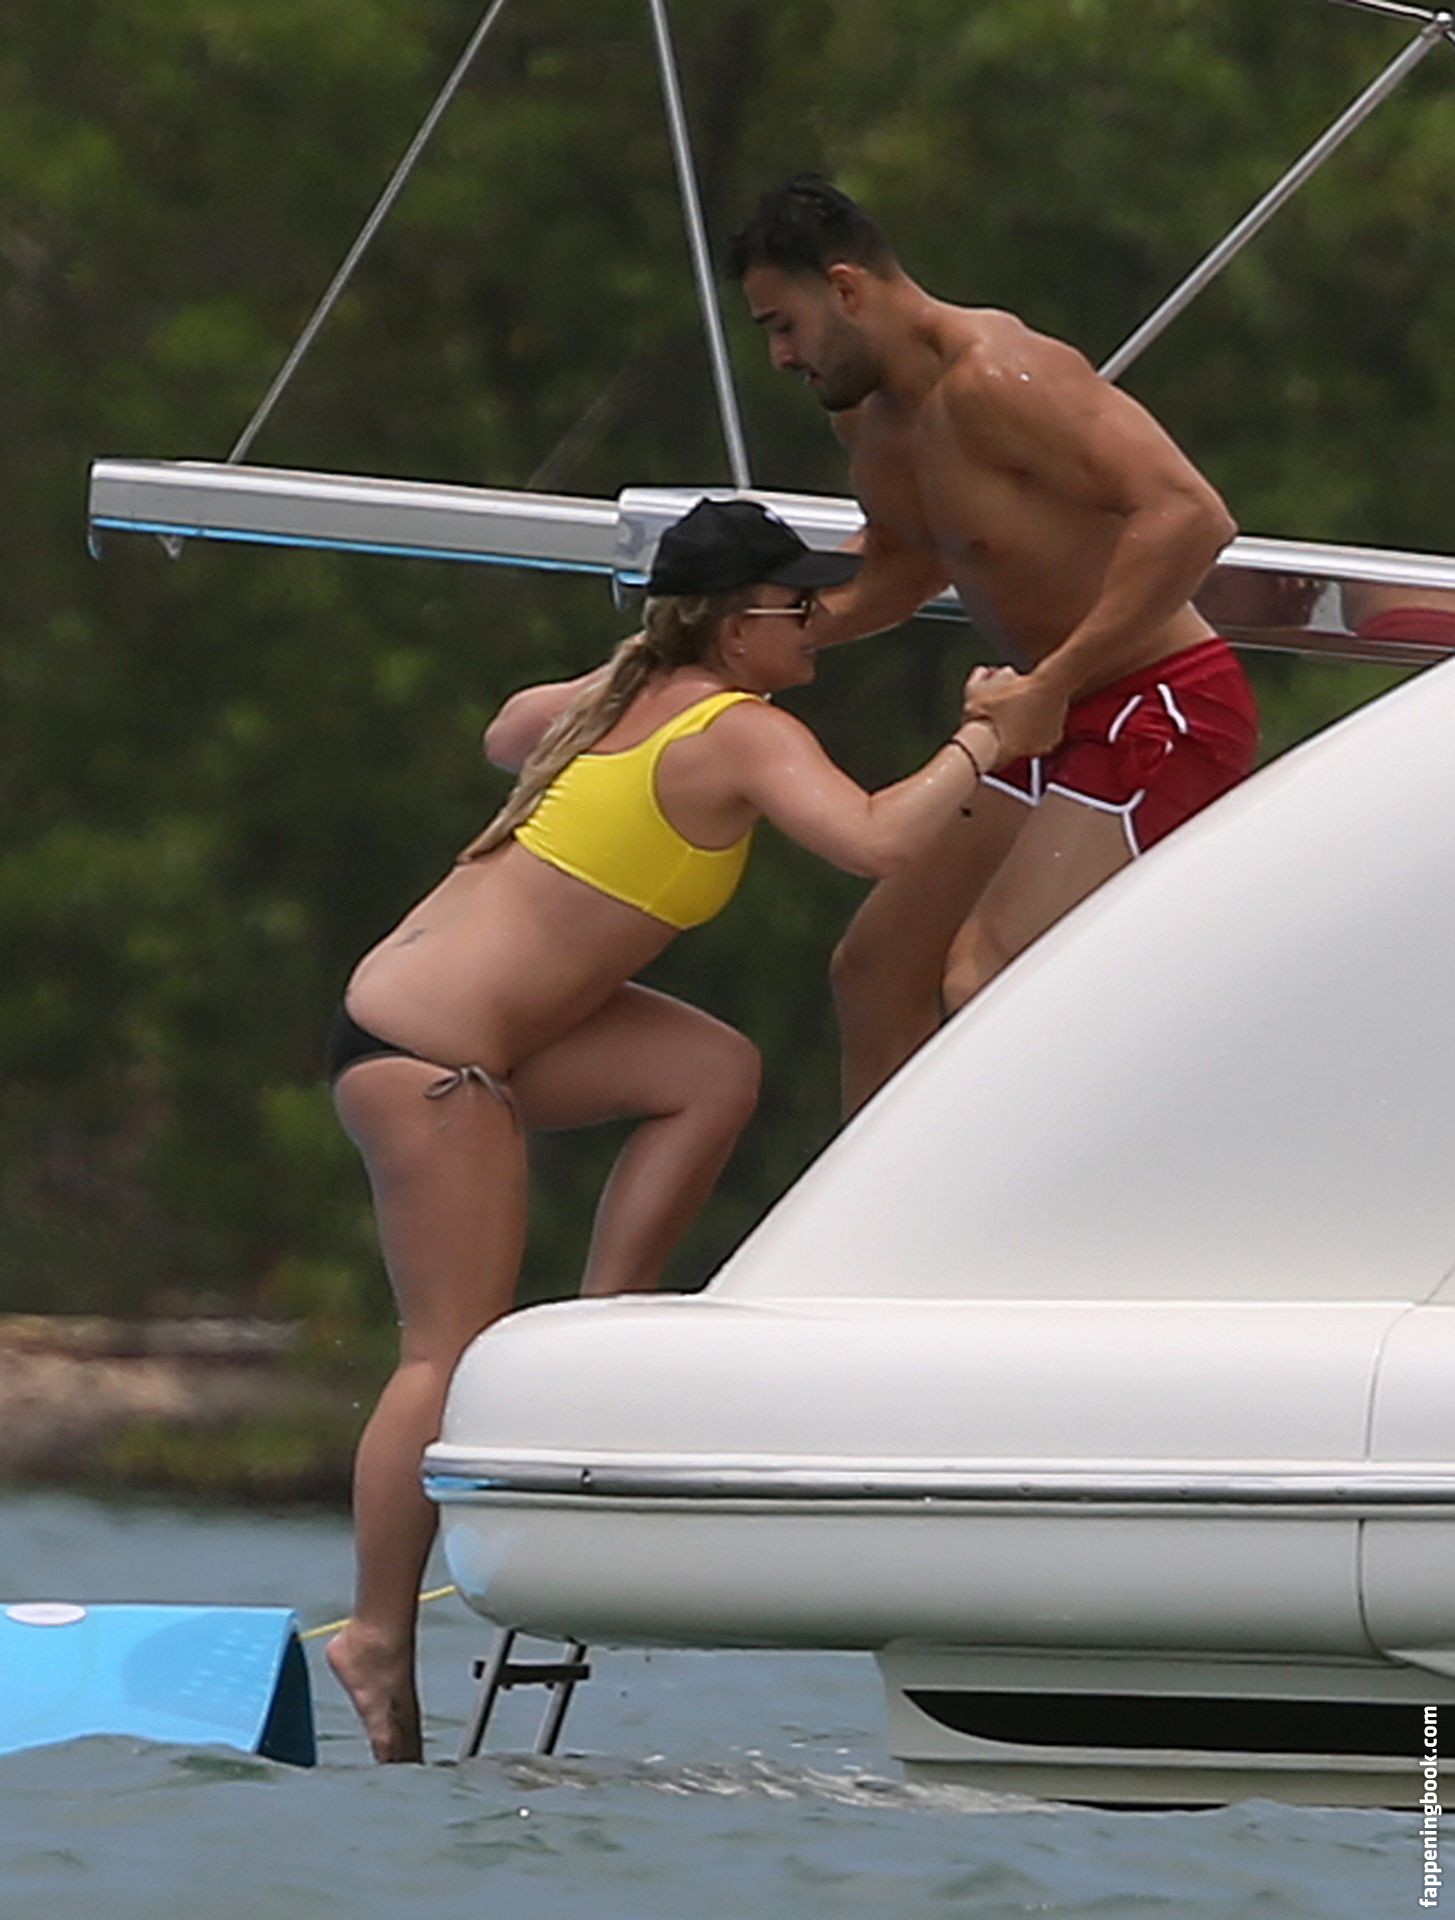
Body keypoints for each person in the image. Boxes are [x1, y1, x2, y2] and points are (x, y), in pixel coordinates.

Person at [323, 496, 1064, 1762]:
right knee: (442, 1356)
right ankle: (376, 1635)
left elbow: (506, 729)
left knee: (711, 1070)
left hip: (460, 1030)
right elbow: (878, 843)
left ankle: (602, 1331)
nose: (819, 623)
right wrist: (987, 735)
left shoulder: (625, 698)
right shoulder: (738, 730)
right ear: (734, 626)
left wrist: (633, 675)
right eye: (798, 606)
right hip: (428, 1059)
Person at [728, 175, 1259, 1114]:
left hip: (1162, 705)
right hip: (1043, 712)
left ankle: (1067, 1201)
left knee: (987, 972)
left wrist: (1055, 680)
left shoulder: (1003, 376)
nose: (778, 357)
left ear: (845, 289)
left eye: (783, 325)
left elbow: (1190, 515)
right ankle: (885, 1211)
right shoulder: (873, 421)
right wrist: (748, 636)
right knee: (874, 971)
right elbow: (904, 561)